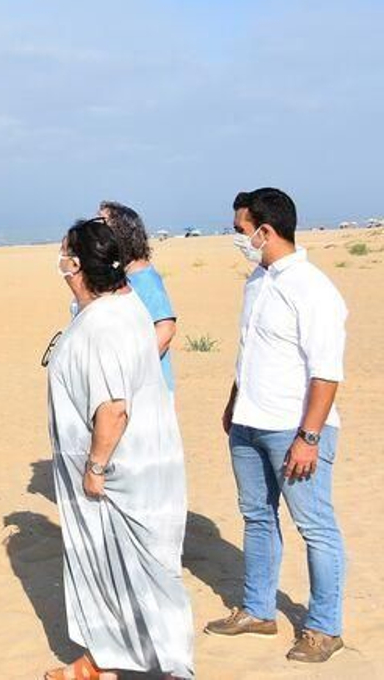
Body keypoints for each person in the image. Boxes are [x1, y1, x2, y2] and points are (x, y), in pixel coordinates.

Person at [44, 219, 193, 680]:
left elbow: (112, 408)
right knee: (105, 569)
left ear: (78, 266)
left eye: (66, 253)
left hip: (121, 475)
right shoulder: (124, 306)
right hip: (137, 467)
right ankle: (100, 661)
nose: (60, 260)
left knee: (147, 573)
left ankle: (175, 670)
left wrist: (96, 466)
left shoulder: (104, 324)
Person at [205, 188, 348, 664]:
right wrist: (233, 402)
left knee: (315, 526)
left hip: (294, 429)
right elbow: (251, 351)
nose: (237, 239)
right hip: (248, 423)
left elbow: (326, 371)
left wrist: (309, 437)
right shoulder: (258, 279)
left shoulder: (312, 288)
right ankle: (258, 609)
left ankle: (325, 628)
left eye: (240, 231)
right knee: (258, 517)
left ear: (265, 231)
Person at [99, 201, 179, 392]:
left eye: (102, 224)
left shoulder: (144, 279)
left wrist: (132, 372)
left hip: (148, 390)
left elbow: (166, 329)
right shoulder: (124, 276)